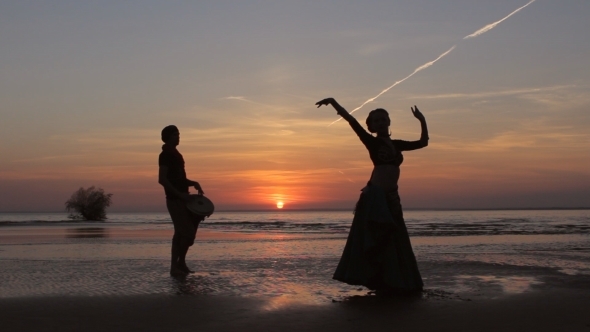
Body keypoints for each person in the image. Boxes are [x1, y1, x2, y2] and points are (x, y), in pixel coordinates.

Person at [315, 97, 428, 294]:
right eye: (376, 121)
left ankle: (393, 281)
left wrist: (422, 119)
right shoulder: (371, 142)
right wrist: (333, 103)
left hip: (392, 197)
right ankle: (377, 280)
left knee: (394, 239)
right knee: (377, 239)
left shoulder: (397, 144)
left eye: (383, 119)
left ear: (389, 122)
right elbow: (352, 121)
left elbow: (423, 143)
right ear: (371, 127)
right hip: (375, 198)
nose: (380, 122)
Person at [158, 125, 205, 276]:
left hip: (183, 198)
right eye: (175, 134)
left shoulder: (177, 154)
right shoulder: (165, 155)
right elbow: (162, 179)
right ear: (168, 137)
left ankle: (180, 264)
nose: (178, 137)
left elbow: (180, 179)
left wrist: (192, 183)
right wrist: (179, 194)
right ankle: (175, 266)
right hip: (175, 200)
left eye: (178, 134)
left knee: (180, 234)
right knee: (188, 234)